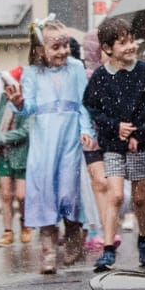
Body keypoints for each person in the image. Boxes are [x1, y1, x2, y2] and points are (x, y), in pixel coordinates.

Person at [82, 16, 145, 270]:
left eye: (131, 41)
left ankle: (144, 239)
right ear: (108, 49)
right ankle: (108, 248)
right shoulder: (100, 77)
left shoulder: (144, 72)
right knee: (116, 195)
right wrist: (115, 127)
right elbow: (92, 107)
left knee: (140, 197)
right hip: (112, 144)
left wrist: (136, 133)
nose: (130, 46)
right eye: (123, 43)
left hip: (140, 143)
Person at [11, 21, 92, 275]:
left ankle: (74, 236)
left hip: (69, 136)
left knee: (69, 191)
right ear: (40, 50)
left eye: (66, 45)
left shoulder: (77, 68)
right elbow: (29, 108)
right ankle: (48, 252)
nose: (63, 51)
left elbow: (84, 103)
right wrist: (19, 103)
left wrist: (86, 130)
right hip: (44, 139)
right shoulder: (32, 73)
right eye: (56, 47)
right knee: (45, 191)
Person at [0, 72, 28, 246]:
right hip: (3, 155)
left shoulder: (25, 104)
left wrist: (0, 139)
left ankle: (26, 224)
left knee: (22, 195)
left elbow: (25, 131)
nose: (6, 90)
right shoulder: (2, 104)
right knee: (5, 194)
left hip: (22, 153)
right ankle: (7, 231)